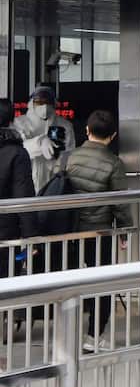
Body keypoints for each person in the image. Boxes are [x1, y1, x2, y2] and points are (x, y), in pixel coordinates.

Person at [65, 110, 133, 351]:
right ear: (113, 136)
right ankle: (93, 336)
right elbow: (120, 204)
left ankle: (65, 334)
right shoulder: (114, 164)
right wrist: (125, 232)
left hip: (69, 232)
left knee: (67, 281)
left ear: (86, 130)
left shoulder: (68, 158)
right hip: (99, 231)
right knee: (101, 283)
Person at [0, 99, 37, 275]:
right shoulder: (17, 153)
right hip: (6, 234)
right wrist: (31, 238)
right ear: (11, 120)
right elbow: (23, 198)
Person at [16, 85, 74, 193]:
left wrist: (60, 167)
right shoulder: (20, 123)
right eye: (39, 102)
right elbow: (18, 149)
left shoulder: (64, 125)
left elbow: (69, 152)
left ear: (54, 104)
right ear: (32, 103)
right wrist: (39, 142)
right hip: (27, 177)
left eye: (48, 102)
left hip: (53, 180)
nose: (44, 106)